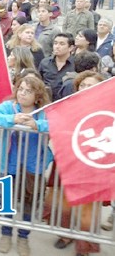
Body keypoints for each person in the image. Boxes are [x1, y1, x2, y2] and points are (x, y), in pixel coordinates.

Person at [43, 70, 106, 256]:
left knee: (88, 206)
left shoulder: (106, 110)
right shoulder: (70, 105)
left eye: (91, 85)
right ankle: (65, 235)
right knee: (64, 200)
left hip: (93, 164)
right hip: (69, 161)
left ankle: (84, 245)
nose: (85, 88)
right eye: (83, 85)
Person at [0, 76, 53, 256]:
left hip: (34, 167)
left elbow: (55, 124)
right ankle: (6, 234)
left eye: (28, 91)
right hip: (9, 165)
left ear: (37, 96)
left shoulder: (42, 111)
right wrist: (12, 119)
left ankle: (23, 237)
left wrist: (37, 124)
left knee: (29, 205)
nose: (23, 93)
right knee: (6, 202)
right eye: (21, 89)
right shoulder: (10, 106)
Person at [38, 33, 75, 101]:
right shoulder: (45, 62)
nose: (57, 46)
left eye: (62, 44)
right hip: (46, 102)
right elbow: (38, 81)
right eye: (55, 43)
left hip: (67, 101)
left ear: (71, 48)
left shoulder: (76, 64)